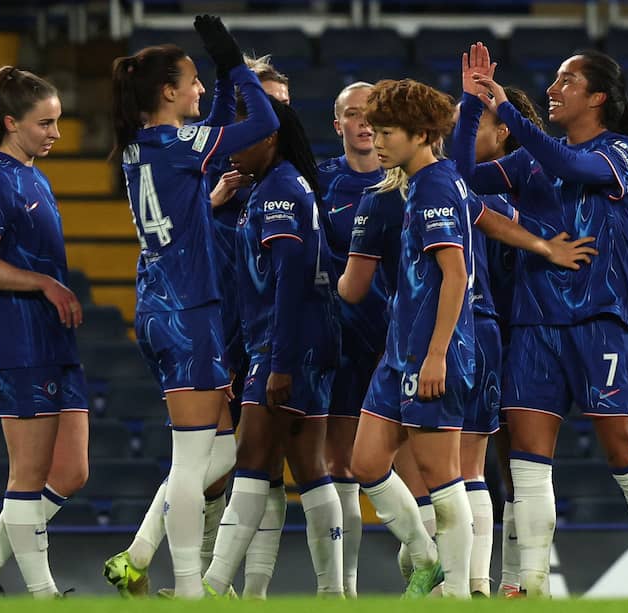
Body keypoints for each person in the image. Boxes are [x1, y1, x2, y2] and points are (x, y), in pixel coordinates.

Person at [347, 78, 596, 600]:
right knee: (366, 463)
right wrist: (544, 247)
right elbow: (488, 218)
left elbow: (456, 274)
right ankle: (426, 556)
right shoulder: (438, 182)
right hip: (402, 349)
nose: (378, 138)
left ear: (419, 135)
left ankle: (460, 593)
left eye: (388, 131)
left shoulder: (436, 184)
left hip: (434, 350)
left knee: (445, 481)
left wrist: (437, 353)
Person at [460, 42, 628, 598]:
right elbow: (463, 174)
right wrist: (470, 106)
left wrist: (506, 109)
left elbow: (568, 165)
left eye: (567, 81)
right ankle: (526, 585)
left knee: (622, 450)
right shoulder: (531, 157)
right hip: (534, 323)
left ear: (598, 97)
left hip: (600, 320)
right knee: (529, 462)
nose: (553, 89)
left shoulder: (621, 154)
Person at [103, 15, 279, 599]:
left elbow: (211, 125)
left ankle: (157, 560)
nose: (201, 90)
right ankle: (185, 587)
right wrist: (232, 63)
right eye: (194, 81)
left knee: (221, 449)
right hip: (190, 310)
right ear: (168, 92)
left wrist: (222, 75)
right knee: (191, 459)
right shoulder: (178, 145)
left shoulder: (143, 145)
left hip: (157, 303)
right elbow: (263, 122)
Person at [0, 66, 89, 598]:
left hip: (54, 340)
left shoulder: (34, 174)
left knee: (72, 470)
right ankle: (44, 595)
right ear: (12, 123)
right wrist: (45, 285)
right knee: (28, 473)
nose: (55, 134)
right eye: (45, 124)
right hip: (17, 340)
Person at [203, 96, 344, 598]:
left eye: (244, 138)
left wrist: (278, 363)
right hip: (295, 344)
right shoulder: (273, 187)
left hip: (288, 347)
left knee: (251, 459)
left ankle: (214, 585)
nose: (232, 149)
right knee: (309, 467)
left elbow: (290, 282)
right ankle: (333, 593)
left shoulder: (280, 193)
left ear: (269, 138)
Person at [451, 84, 549, 597]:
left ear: (502, 131)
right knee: (496, 462)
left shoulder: (523, 186)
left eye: (474, 125)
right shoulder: (470, 188)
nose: (459, 136)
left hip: (521, 334)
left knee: (522, 466)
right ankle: (504, 580)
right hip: (491, 331)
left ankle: (523, 578)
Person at [316, 80, 385, 598]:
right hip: (341, 340)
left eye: (371, 115)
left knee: (413, 466)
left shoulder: (407, 181)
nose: (363, 123)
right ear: (337, 124)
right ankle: (346, 590)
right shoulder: (319, 185)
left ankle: (436, 577)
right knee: (341, 466)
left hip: (397, 340)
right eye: (352, 114)